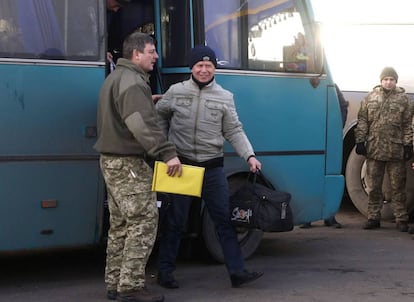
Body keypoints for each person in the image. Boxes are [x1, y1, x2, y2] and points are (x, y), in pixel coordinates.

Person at [155, 45, 264, 289]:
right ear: (191, 68)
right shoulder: (175, 92)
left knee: (223, 220)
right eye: (199, 65)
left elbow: (234, 130)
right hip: (181, 166)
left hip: (212, 168)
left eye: (209, 65)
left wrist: (250, 156)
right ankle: (165, 273)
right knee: (175, 221)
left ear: (215, 68)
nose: (204, 70)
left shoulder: (225, 97)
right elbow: (158, 117)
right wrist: (165, 150)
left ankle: (237, 272)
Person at [94, 32, 182, 302]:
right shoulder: (133, 82)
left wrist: (146, 102)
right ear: (136, 54)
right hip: (128, 163)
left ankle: (115, 283)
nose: (156, 57)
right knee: (143, 221)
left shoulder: (116, 78)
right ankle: (131, 288)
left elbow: (128, 114)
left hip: (111, 162)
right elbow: (140, 125)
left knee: (121, 225)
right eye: (152, 51)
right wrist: (168, 154)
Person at [355, 67, 413, 231]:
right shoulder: (370, 98)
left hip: (396, 151)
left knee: (398, 187)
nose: (388, 82)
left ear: (396, 81)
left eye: (392, 79)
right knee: (374, 187)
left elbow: (408, 124)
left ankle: (401, 219)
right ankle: (373, 217)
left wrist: (408, 144)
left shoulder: (404, 100)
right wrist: (360, 141)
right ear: (381, 81)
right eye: (386, 79)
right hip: (374, 150)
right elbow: (363, 121)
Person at [299, 84, 348, 229]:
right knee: (308, 177)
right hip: (308, 137)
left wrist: (335, 128)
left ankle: (329, 216)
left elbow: (342, 107)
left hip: (327, 138)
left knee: (328, 176)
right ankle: (307, 216)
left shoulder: (329, 86)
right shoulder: (301, 86)